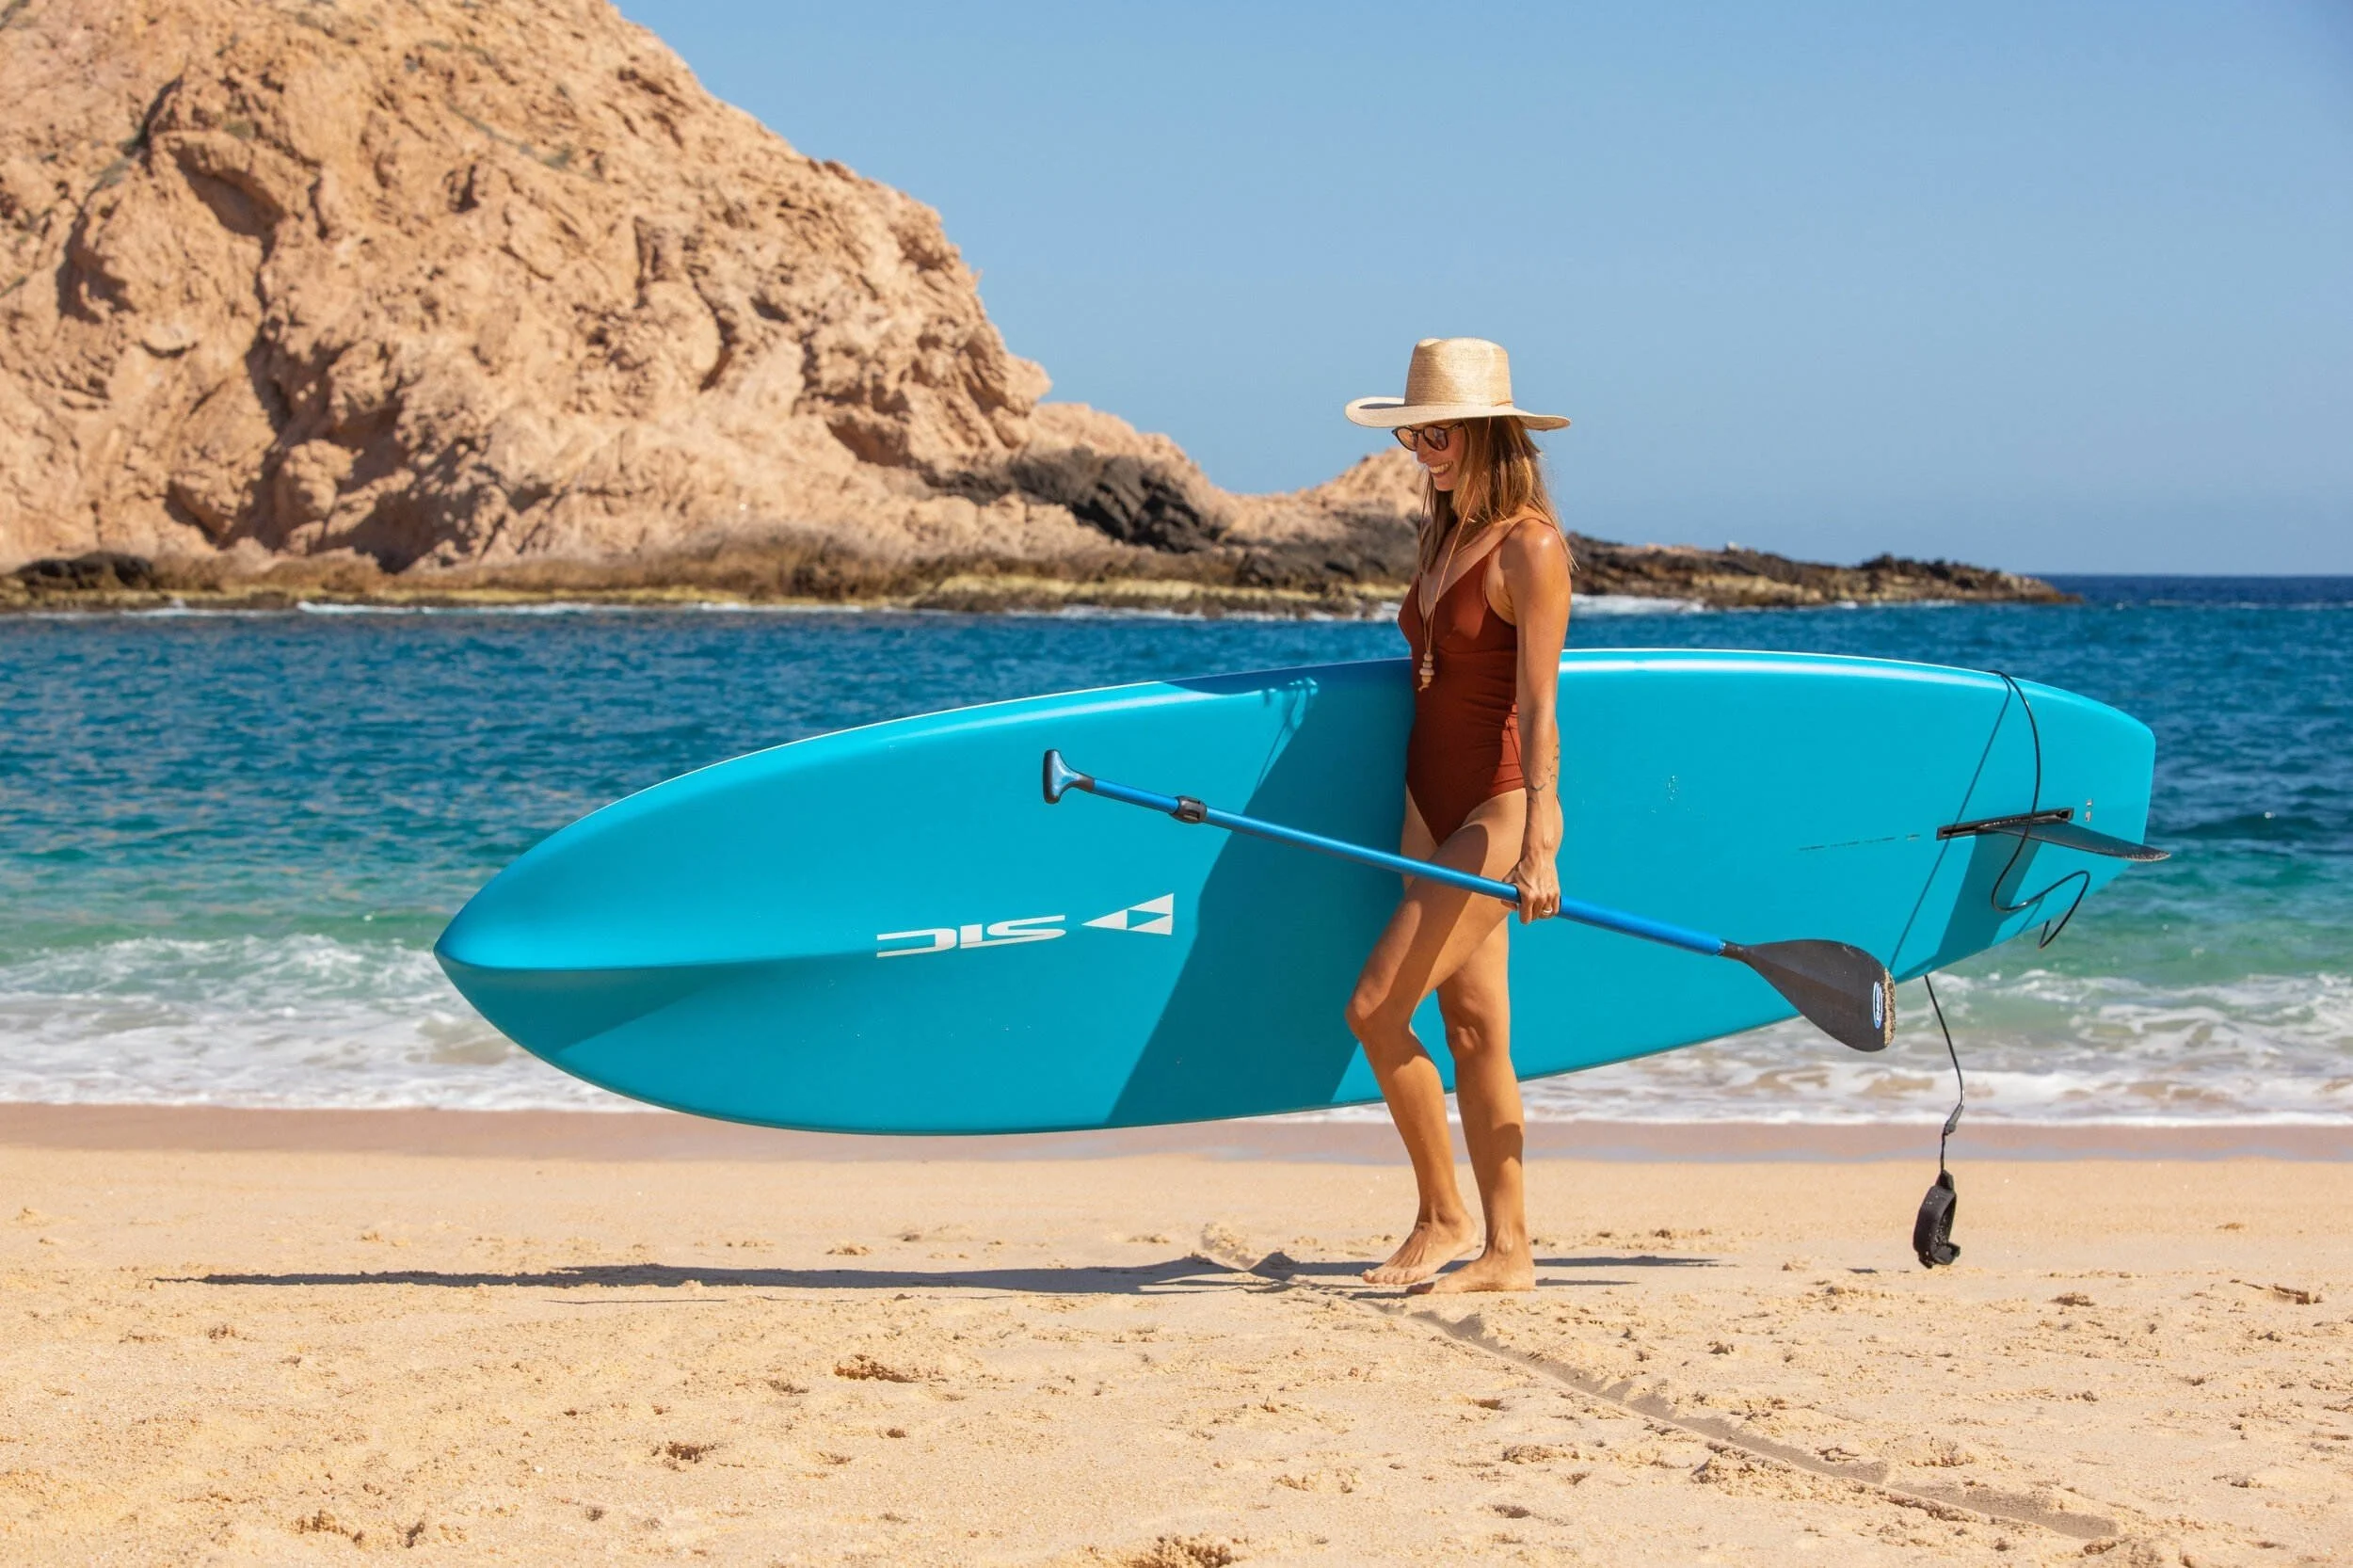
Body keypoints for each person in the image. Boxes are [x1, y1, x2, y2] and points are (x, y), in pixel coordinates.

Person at [1340, 338, 1574, 1294]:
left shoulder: (1531, 546)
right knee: (1474, 1031)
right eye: (1411, 436)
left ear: (1485, 433)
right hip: (1424, 802)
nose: (1421, 450)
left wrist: (1543, 844)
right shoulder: (1442, 536)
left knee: (1373, 1006)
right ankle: (1509, 1251)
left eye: (1435, 433)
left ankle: (1443, 1217)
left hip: (1497, 806)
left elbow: (1539, 704)